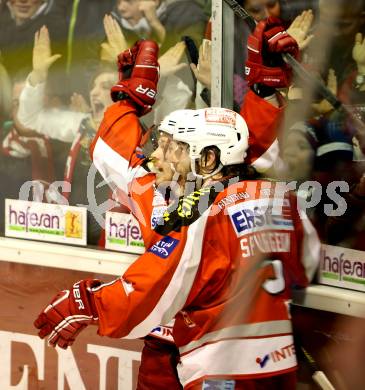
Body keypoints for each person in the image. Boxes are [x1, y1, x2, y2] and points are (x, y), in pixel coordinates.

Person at [33, 20, 320, 390]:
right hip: (242, 356)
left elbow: (156, 283)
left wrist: (88, 303)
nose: (158, 154)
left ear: (206, 160)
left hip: (215, 361)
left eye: (173, 147)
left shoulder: (205, 214)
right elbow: (306, 261)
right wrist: (128, 101)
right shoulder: (267, 197)